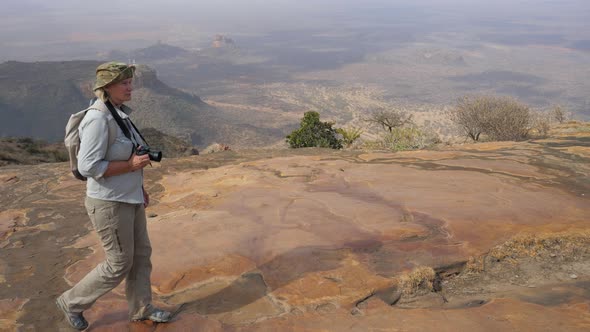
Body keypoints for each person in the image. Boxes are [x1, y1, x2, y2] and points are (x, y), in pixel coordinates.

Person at [56, 62, 171, 330]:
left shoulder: (118, 113)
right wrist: (131, 166)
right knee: (118, 263)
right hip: (109, 203)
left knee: (141, 255)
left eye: (130, 82)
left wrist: (138, 186)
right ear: (106, 87)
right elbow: (88, 167)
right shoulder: (98, 119)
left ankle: (142, 308)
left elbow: (130, 154)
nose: (131, 87)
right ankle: (71, 302)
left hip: (128, 197)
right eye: (124, 83)